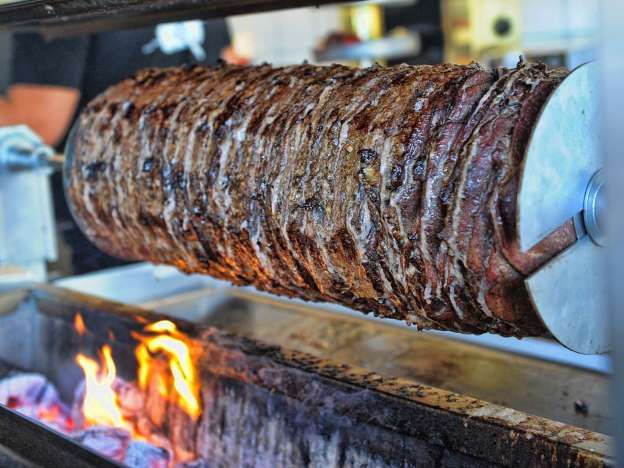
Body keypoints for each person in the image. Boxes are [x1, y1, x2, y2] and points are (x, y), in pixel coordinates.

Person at [0, 19, 242, 275]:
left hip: (114, 222)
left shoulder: (49, 10)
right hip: (207, 215)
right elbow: (228, 66)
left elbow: (36, 125)